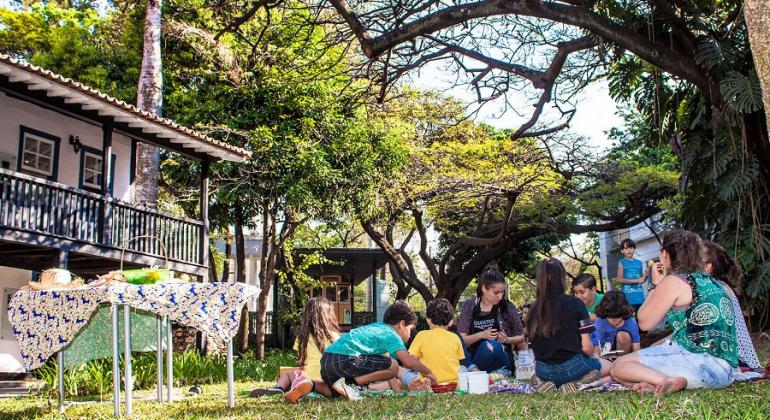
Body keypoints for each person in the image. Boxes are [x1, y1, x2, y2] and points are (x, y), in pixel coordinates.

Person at [610, 230, 738, 395]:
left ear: (665, 254)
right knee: (635, 369)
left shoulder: (675, 281)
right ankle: (664, 383)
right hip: (726, 373)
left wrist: (656, 285)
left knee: (618, 367)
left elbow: (644, 322)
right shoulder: (716, 283)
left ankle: (666, 381)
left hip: (699, 364)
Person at [312, 300, 437, 401]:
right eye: (411, 329)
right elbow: (407, 361)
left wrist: (398, 394)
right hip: (343, 359)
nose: (410, 335)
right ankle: (349, 384)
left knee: (335, 393)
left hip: (327, 360)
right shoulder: (391, 334)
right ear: (402, 324)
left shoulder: (377, 329)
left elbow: (389, 372)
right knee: (393, 365)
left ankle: (312, 384)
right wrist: (429, 372)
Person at [527, 258, 611, 392]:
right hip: (573, 367)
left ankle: (547, 384)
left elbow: (532, 349)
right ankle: (580, 384)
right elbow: (587, 347)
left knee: (540, 375)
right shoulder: (577, 304)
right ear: (563, 279)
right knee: (611, 367)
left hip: (543, 371)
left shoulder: (532, 310)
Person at [250, 298, 340, 402]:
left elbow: (301, 362)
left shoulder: (302, 338)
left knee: (288, 375)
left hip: (306, 379)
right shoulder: (336, 337)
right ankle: (305, 388)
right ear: (329, 316)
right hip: (328, 383)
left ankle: (279, 388)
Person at [703, 241, 762, 372]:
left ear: (708, 266)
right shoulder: (718, 286)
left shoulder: (713, 289)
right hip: (741, 361)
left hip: (736, 362)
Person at [457, 267, 526, 372]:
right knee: (488, 346)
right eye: (496, 292)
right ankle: (478, 375)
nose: (500, 296)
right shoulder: (469, 306)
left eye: (502, 292)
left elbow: (521, 336)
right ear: (484, 289)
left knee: (494, 346)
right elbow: (461, 342)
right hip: (476, 361)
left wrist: (508, 340)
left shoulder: (507, 307)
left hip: (502, 361)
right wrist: (481, 335)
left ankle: (484, 375)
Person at [404, 298, 465, 384]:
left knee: (401, 371)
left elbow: (411, 361)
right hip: (453, 384)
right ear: (451, 322)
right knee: (463, 368)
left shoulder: (421, 335)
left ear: (428, 320)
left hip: (427, 383)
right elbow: (456, 362)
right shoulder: (455, 338)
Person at [591, 290, 640, 357]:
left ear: (624, 313)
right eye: (610, 317)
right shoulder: (599, 323)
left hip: (624, 356)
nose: (613, 321)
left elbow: (636, 347)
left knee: (622, 335)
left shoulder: (631, 323)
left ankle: (622, 363)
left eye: (617, 317)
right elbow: (596, 349)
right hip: (605, 355)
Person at [617, 239, 647, 315]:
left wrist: (646, 276)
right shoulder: (621, 263)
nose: (629, 250)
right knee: (629, 320)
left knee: (641, 320)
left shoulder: (639, 263)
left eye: (631, 248)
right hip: (627, 298)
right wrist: (637, 281)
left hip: (640, 297)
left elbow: (642, 280)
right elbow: (620, 279)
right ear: (622, 251)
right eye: (626, 248)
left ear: (634, 249)